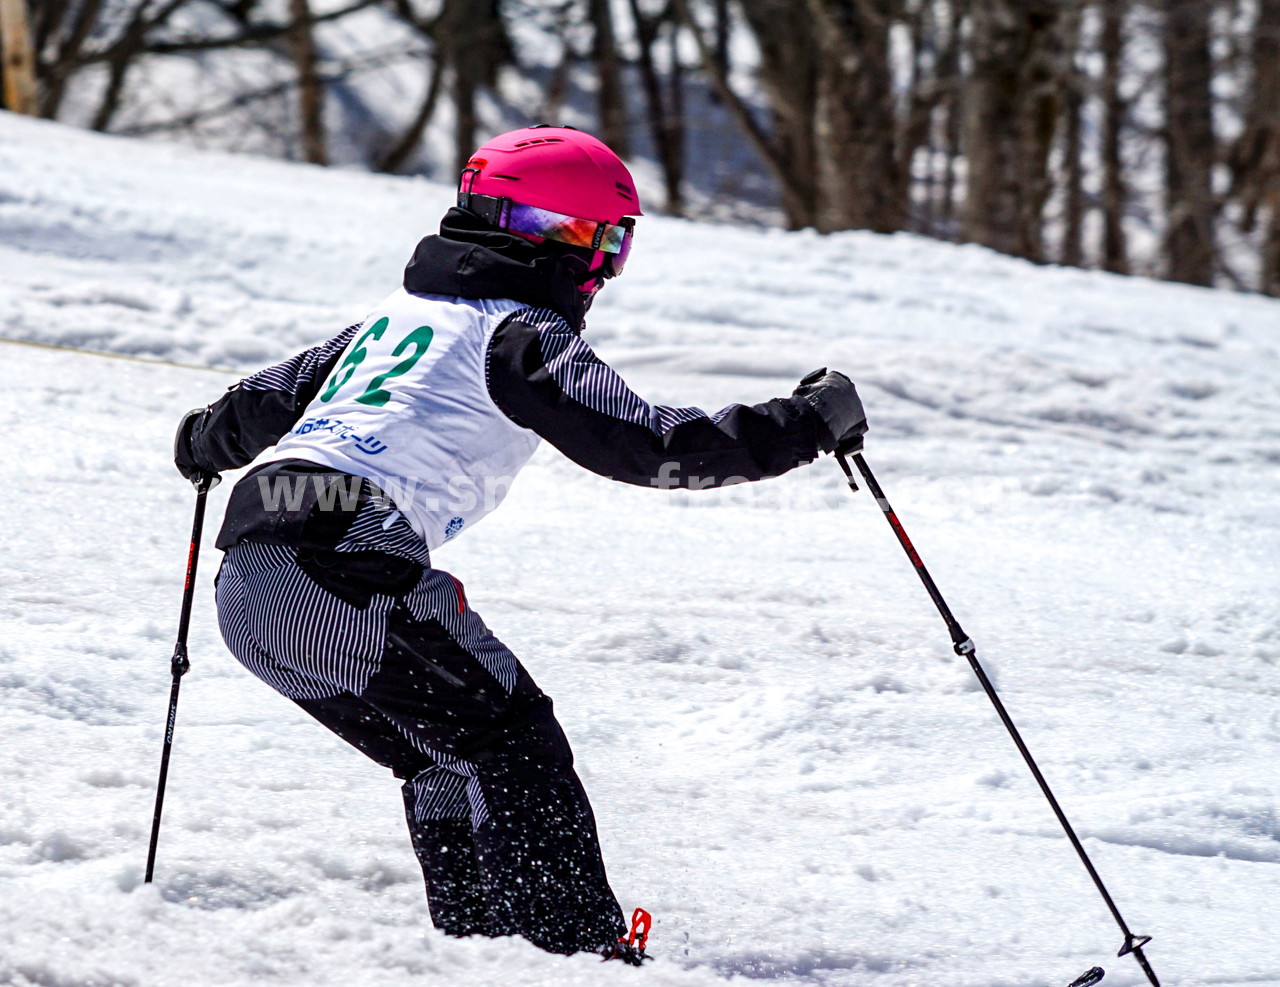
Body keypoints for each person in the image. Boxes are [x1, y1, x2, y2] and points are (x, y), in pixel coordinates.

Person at [173, 125, 867, 963]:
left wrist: (203, 439)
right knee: (512, 742)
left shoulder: (392, 320)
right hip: (341, 564)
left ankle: (481, 954)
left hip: (250, 584)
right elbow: (650, 447)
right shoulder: (522, 335)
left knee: (447, 759)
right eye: (581, 236)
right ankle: (573, 957)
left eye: (603, 241)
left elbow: (254, 404)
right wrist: (800, 426)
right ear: (505, 225)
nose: (591, 262)